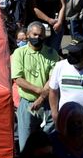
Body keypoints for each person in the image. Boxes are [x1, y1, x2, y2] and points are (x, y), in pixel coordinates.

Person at [11, 21, 60, 150]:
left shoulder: (51, 53)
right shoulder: (19, 53)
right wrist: (39, 91)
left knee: (49, 143)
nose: (37, 38)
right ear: (28, 34)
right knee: (25, 145)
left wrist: (41, 98)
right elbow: (18, 79)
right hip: (27, 104)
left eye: (41, 35)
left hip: (47, 104)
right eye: (35, 34)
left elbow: (53, 79)